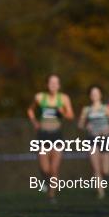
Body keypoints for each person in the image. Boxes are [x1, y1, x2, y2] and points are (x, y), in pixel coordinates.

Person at [27, 74, 74, 202]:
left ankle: (51, 195)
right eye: (51, 82)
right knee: (45, 169)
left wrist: (62, 112)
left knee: (54, 169)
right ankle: (47, 183)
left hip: (56, 136)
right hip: (42, 136)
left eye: (56, 83)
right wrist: (35, 123)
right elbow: (30, 110)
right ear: (47, 84)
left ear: (59, 85)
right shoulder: (40, 97)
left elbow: (70, 116)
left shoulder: (63, 98)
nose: (53, 85)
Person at [78, 85, 109, 199]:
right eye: (92, 93)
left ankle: (103, 183)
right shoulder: (86, 110)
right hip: (92, 139)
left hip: (104, 139)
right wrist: (85, 126)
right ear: (90, 96)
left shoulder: (106, 108)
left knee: (106, 170)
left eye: (96, 93)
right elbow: (80, 124)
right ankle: (100, 193)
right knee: (96, 168)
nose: (94, 95)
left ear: (100, 95)